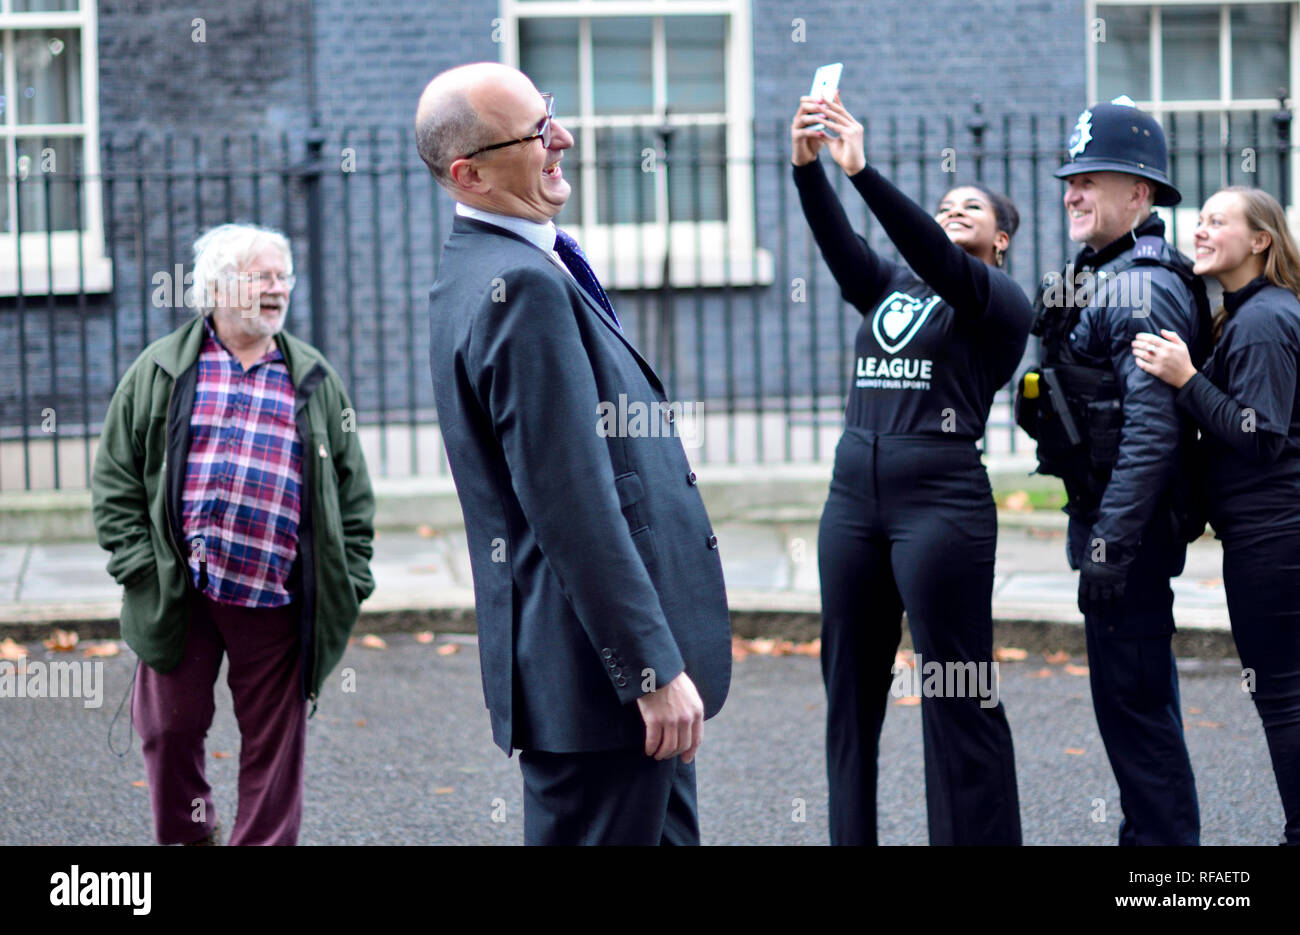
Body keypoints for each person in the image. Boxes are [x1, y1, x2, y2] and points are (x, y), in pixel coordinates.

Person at [416, 63, 731, 846]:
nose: (563, 137)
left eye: (547, 113)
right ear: (471, 173)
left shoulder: (494, 267)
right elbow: (571, 503)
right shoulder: (518, 286)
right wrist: (649, 670)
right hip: (602, 689)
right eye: (534, 131)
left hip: (602, 681)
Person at [791, 91, 1031, 845]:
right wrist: (807, 172)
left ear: (1001, 240)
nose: (953, 210)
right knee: (850, 699)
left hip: (941, 505)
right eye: (945, 203)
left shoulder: (997, 300)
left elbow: (930, 250)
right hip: (852, 498)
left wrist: (863, 173)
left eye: (971, 208)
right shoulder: (893, 287)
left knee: (955, 692)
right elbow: (843, 250)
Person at [92, 223, 375, 846]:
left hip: (277, 599)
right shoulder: (161, 370)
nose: (278, 290)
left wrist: (349, 578)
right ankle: (189, 837)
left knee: (274, 750)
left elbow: (353, 495)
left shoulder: (314, 378)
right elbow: (114, 478)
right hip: (181, 592)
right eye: (262, 277)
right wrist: (140, 566)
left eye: (284, 278)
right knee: (168, 730)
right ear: (219, 286)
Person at [1016, 99, 1211, 845]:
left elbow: (1150, 438)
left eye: (1092, 179)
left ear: (1142, 195)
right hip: (1110, 528)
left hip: (1124, 537)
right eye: (1071, 178)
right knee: (1135, 713)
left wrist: (1110, 548)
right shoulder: (1106, 271)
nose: (1072, 192)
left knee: (1137, 717)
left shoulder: (1141, 285)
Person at [1132, 186, 1300, 845]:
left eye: (1217, 221)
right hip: (1269, 531)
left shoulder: (1261, 321)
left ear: (1261, 239)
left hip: (1274, 536)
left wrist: (1184, 377)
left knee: (1283, 697)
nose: (1199, 230)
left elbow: (1259, 435)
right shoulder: (1247, 313)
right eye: (1197, 220)